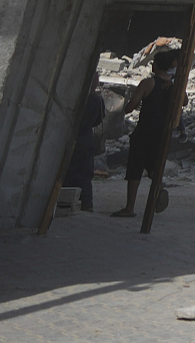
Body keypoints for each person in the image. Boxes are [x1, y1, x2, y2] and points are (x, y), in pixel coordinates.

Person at [109, 49, 179, 217]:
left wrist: (135, 101)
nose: (151, 65)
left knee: (135, 167)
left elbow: (129, 107)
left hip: (145, 130)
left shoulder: (148, 83)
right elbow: (183, 101)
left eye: (153, 62)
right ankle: (159, 189)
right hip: (162, 133)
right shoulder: (174, 86)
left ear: (159, 65)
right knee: (154, 165)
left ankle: (130, 207)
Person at [65, 72, 107, 213]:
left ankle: (65, 201)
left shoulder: (75, 99)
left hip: (72, 139)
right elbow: (99, 119)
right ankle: (86, 202)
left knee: (68, 172)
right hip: (87, 139)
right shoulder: (97, 100)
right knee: (84, 175)